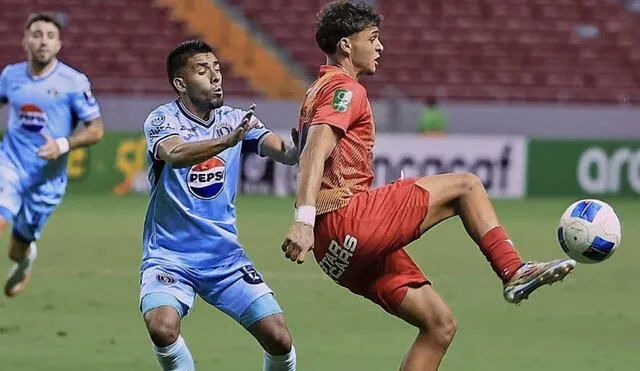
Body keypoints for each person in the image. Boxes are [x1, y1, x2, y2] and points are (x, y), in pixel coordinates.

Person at [281, 2, 575, 370]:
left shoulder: (316, 89)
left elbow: (305, 149)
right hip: (346, 218)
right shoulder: (345, 89)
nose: (380, 46)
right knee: (466, 186)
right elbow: (314, 152)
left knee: (439, 326)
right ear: (345, 45)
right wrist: (302, 221)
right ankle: (513, 270)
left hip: (333, 250)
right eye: (372, 38)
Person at [140, 40, 298, 371]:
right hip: (170, 258)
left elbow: (282, 151)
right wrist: (227, 141)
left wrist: (306, 146)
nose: (215, 77)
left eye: (217, 68)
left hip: (224, 258)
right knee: (162, 327)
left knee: (279, 338)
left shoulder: (237, 119)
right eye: (202, 70)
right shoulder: (162, 120)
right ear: (180, 84)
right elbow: (176, 154)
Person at [0, 13, 104, 297]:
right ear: (25, 41)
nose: (42, 41)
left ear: (58, 44)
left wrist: (62, 144)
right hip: (9, 164)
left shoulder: (73, 82)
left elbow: (96, 130)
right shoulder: (11, 76)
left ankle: (26, 258)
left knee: (15, 250)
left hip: (47, 180)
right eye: (36, 34)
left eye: (49, 36)